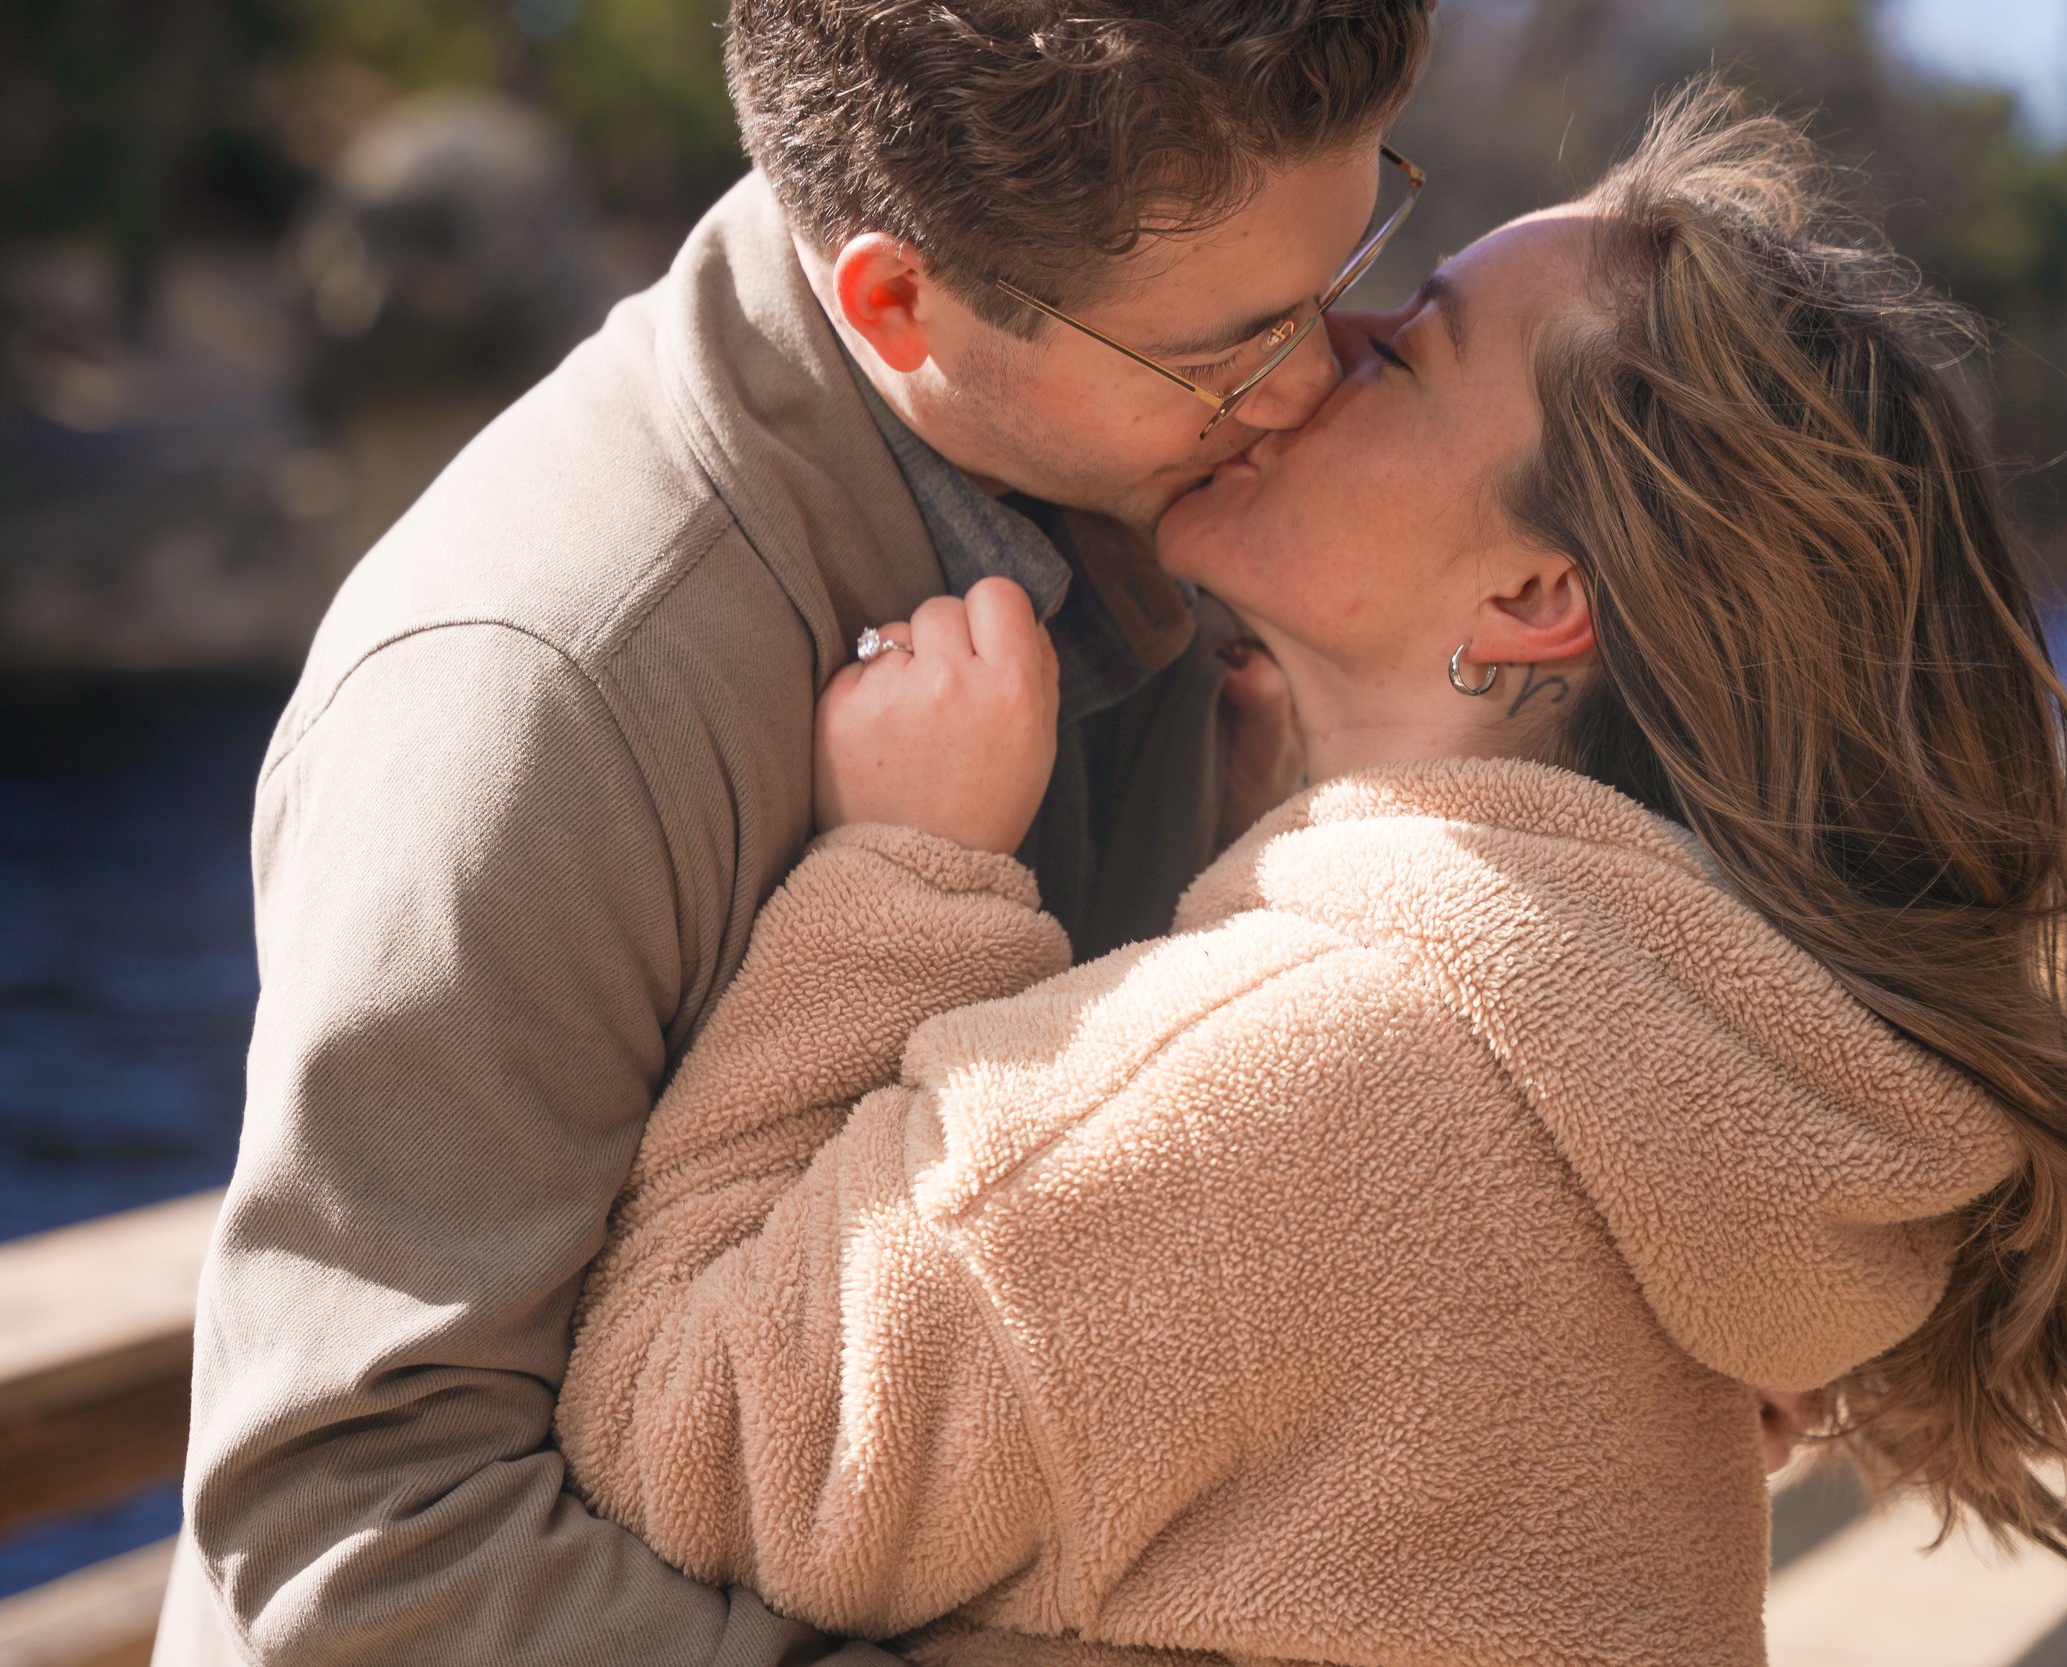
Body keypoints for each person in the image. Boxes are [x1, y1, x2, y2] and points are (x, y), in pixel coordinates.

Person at [553, 81, 2066, 1666]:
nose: (1320, 349)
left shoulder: (1296, 1079)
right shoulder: (1657, 1068)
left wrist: (898, 873)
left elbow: (682, 1438)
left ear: (1539, 591)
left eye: (1405, 354)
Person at [152, 5, 1438, 1665]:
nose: (1317, 388)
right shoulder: (540, 689)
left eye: (1349, 268)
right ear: (898, 304)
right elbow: (359, 1540)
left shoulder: (1123, 453)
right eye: (1233, 349)